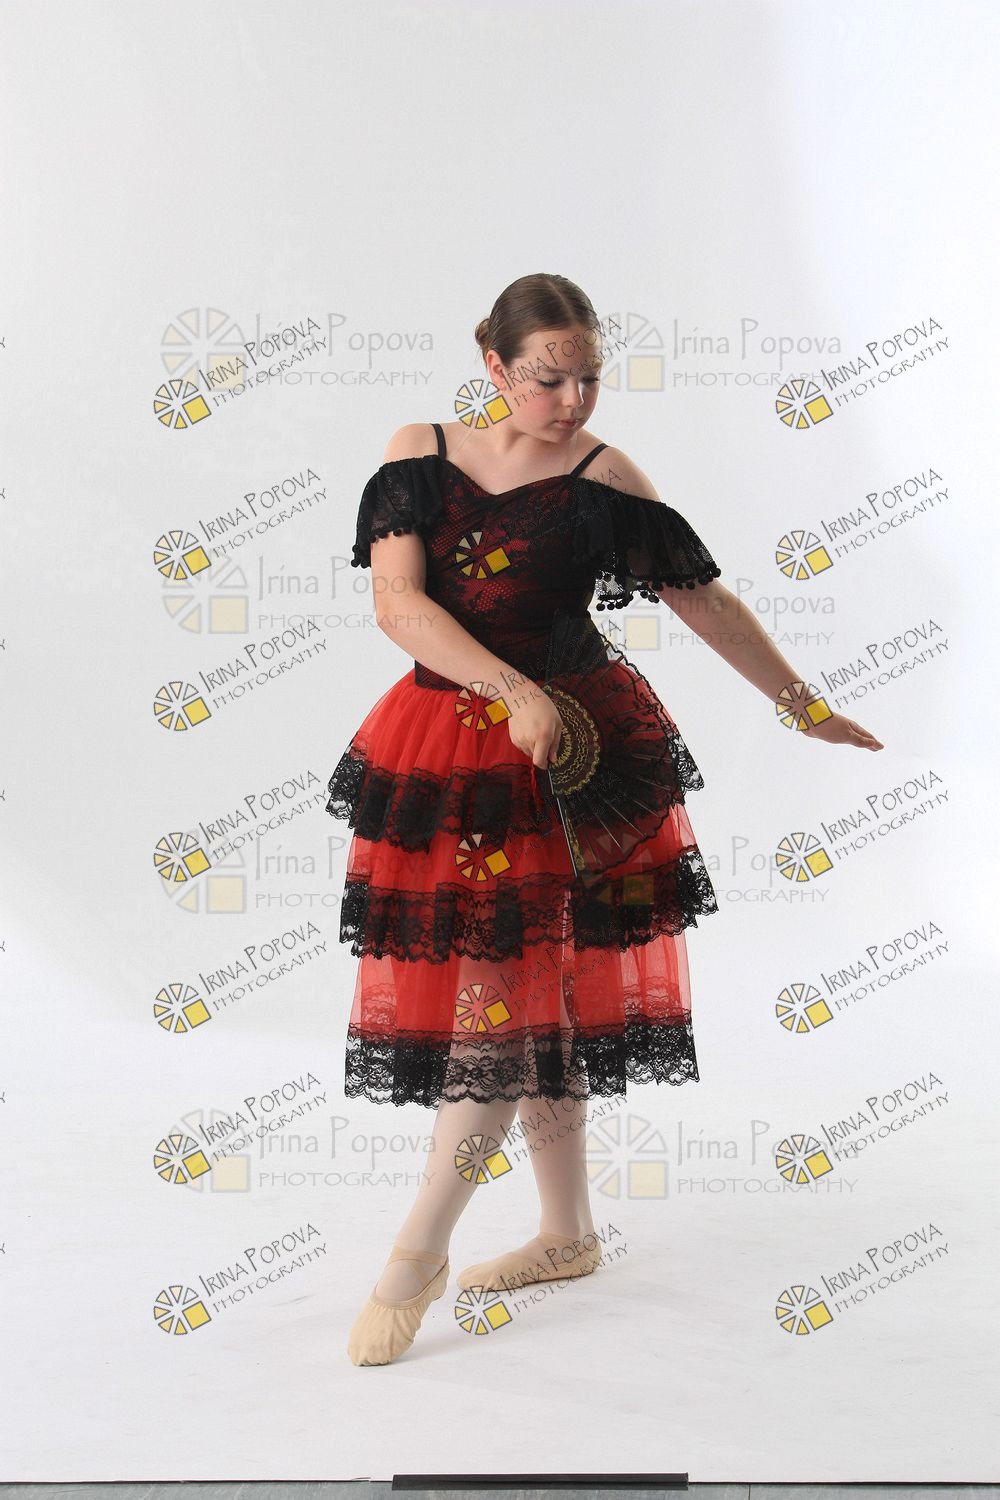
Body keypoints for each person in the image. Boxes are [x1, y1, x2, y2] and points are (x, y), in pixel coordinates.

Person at [325, 272, 883, 1366]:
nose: (572, 401)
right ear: (494, 365)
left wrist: (801, 703)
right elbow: (399, 604)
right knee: (520, 990)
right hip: (455, 752)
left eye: (587, 378)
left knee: (516, 995)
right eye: (548, 379)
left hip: (581, 754)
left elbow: (703, 599)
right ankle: (567, 1234)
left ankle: (419, 1250)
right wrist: (510, 690)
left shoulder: (602, 477)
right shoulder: (415, 455)